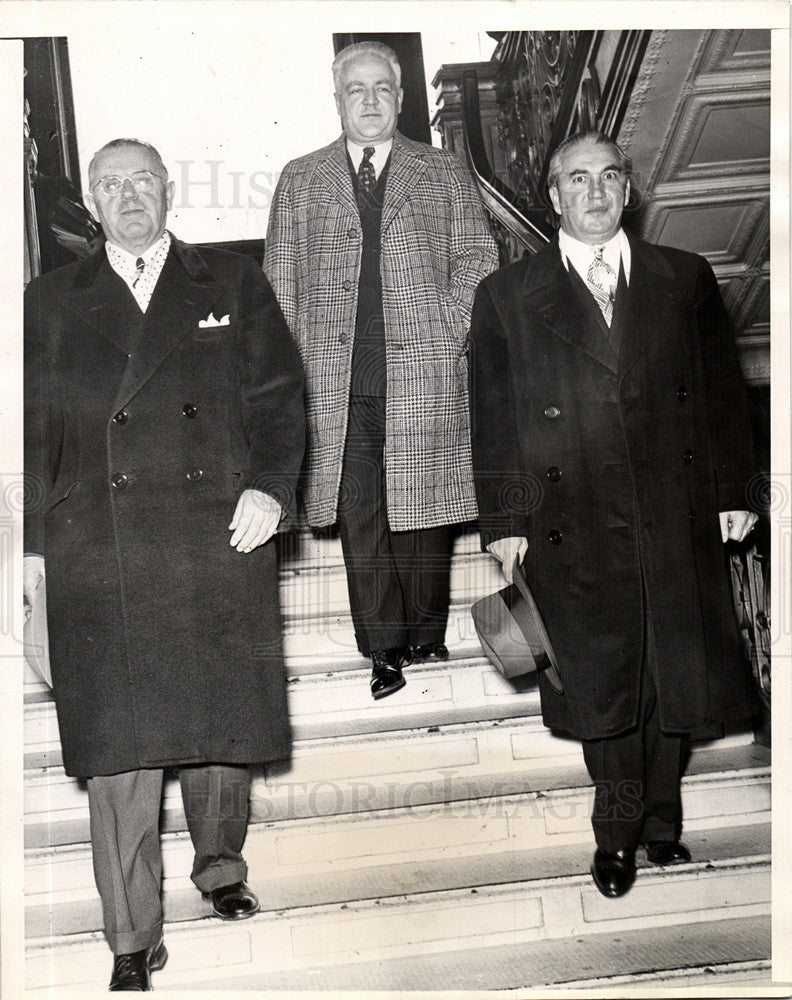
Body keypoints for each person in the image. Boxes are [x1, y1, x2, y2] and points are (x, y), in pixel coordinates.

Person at [23, 138, 305, 990]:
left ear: (167, 189)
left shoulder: (231, 282)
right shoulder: (49, 299)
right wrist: (31, 554)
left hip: (215, 528)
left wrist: (270, 487)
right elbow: (33, 433)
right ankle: (130, 935)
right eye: (108, 185)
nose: (127, 196)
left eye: (140, 180)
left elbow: (279, 397)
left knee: (220, 720)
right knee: (118, 747)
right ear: (93, 206)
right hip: (99, 546)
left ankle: (220, 868)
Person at [469, 130, 758, 899]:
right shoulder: (506, 296)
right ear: (553, 196)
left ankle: (663, 820)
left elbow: (725, 395)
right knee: (605, 690)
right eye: (575, 179)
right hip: (572, 519)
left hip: (676, 510)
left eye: (607, 177)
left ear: (627, 190)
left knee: (673, 683)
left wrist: (735, 491)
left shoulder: (685, 278)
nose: (593, 192)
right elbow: (492, 417)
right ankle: (617, 833)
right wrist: (503, 519)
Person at [264, 41, 498, 700]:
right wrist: (285, 374)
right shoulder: (302, 177)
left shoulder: (443, 171)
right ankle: (384, 649)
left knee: (422, 515)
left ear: (400, 98)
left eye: (381, 89)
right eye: (354, 90)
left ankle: (425, 630)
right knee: (362, 516)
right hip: (336, 384)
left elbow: (478, 261)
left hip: (422, 372)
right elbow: (279, 282)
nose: (368, 101)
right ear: (337, 100)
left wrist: (448, 330)